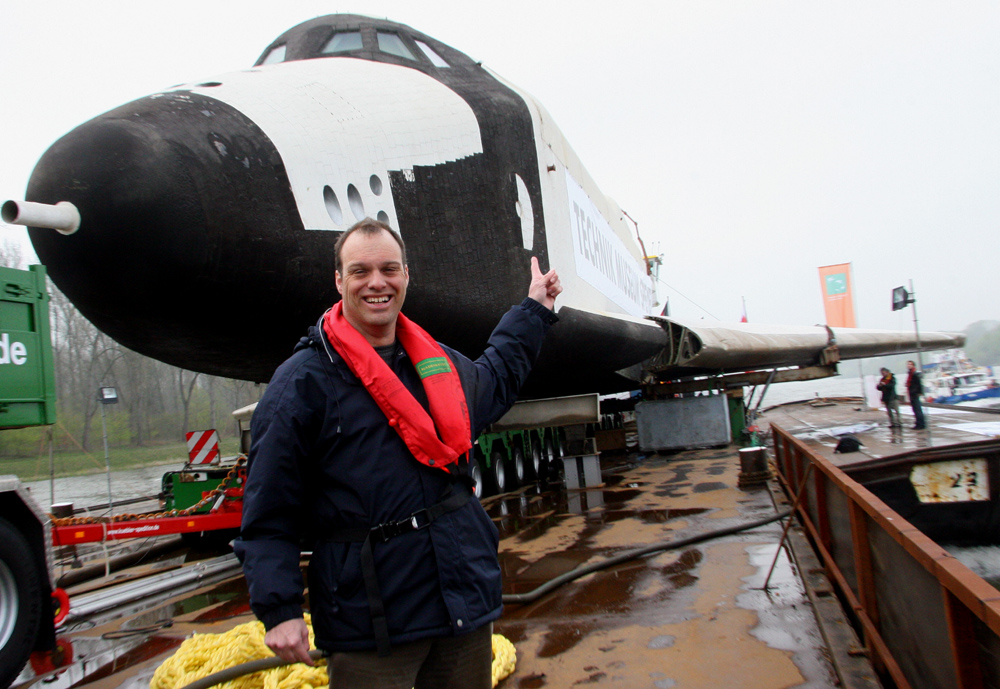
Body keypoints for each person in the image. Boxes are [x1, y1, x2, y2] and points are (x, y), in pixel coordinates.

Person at [234, 218, 562, 689]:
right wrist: (280, 610)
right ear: (339, 280)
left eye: (389, 269)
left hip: (460, 605)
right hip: (369, 621)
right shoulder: (303, 382)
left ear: (406, 275)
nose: (376, 283)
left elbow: (494, 381)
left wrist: (534, 311)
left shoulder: (436, 361)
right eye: (360, 271)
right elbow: (268, 509)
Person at [906, 360, 926, 430]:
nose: (908, 366)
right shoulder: (910, 373)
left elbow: (919, 384)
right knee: (915, 410)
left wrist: (919, 393)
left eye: (910, 364)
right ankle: (918, 423)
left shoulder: (915, 374)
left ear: (913, 365)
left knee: (918, 410)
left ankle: (921, 424)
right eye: (908, 364)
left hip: (915, 394)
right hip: (911, 393)